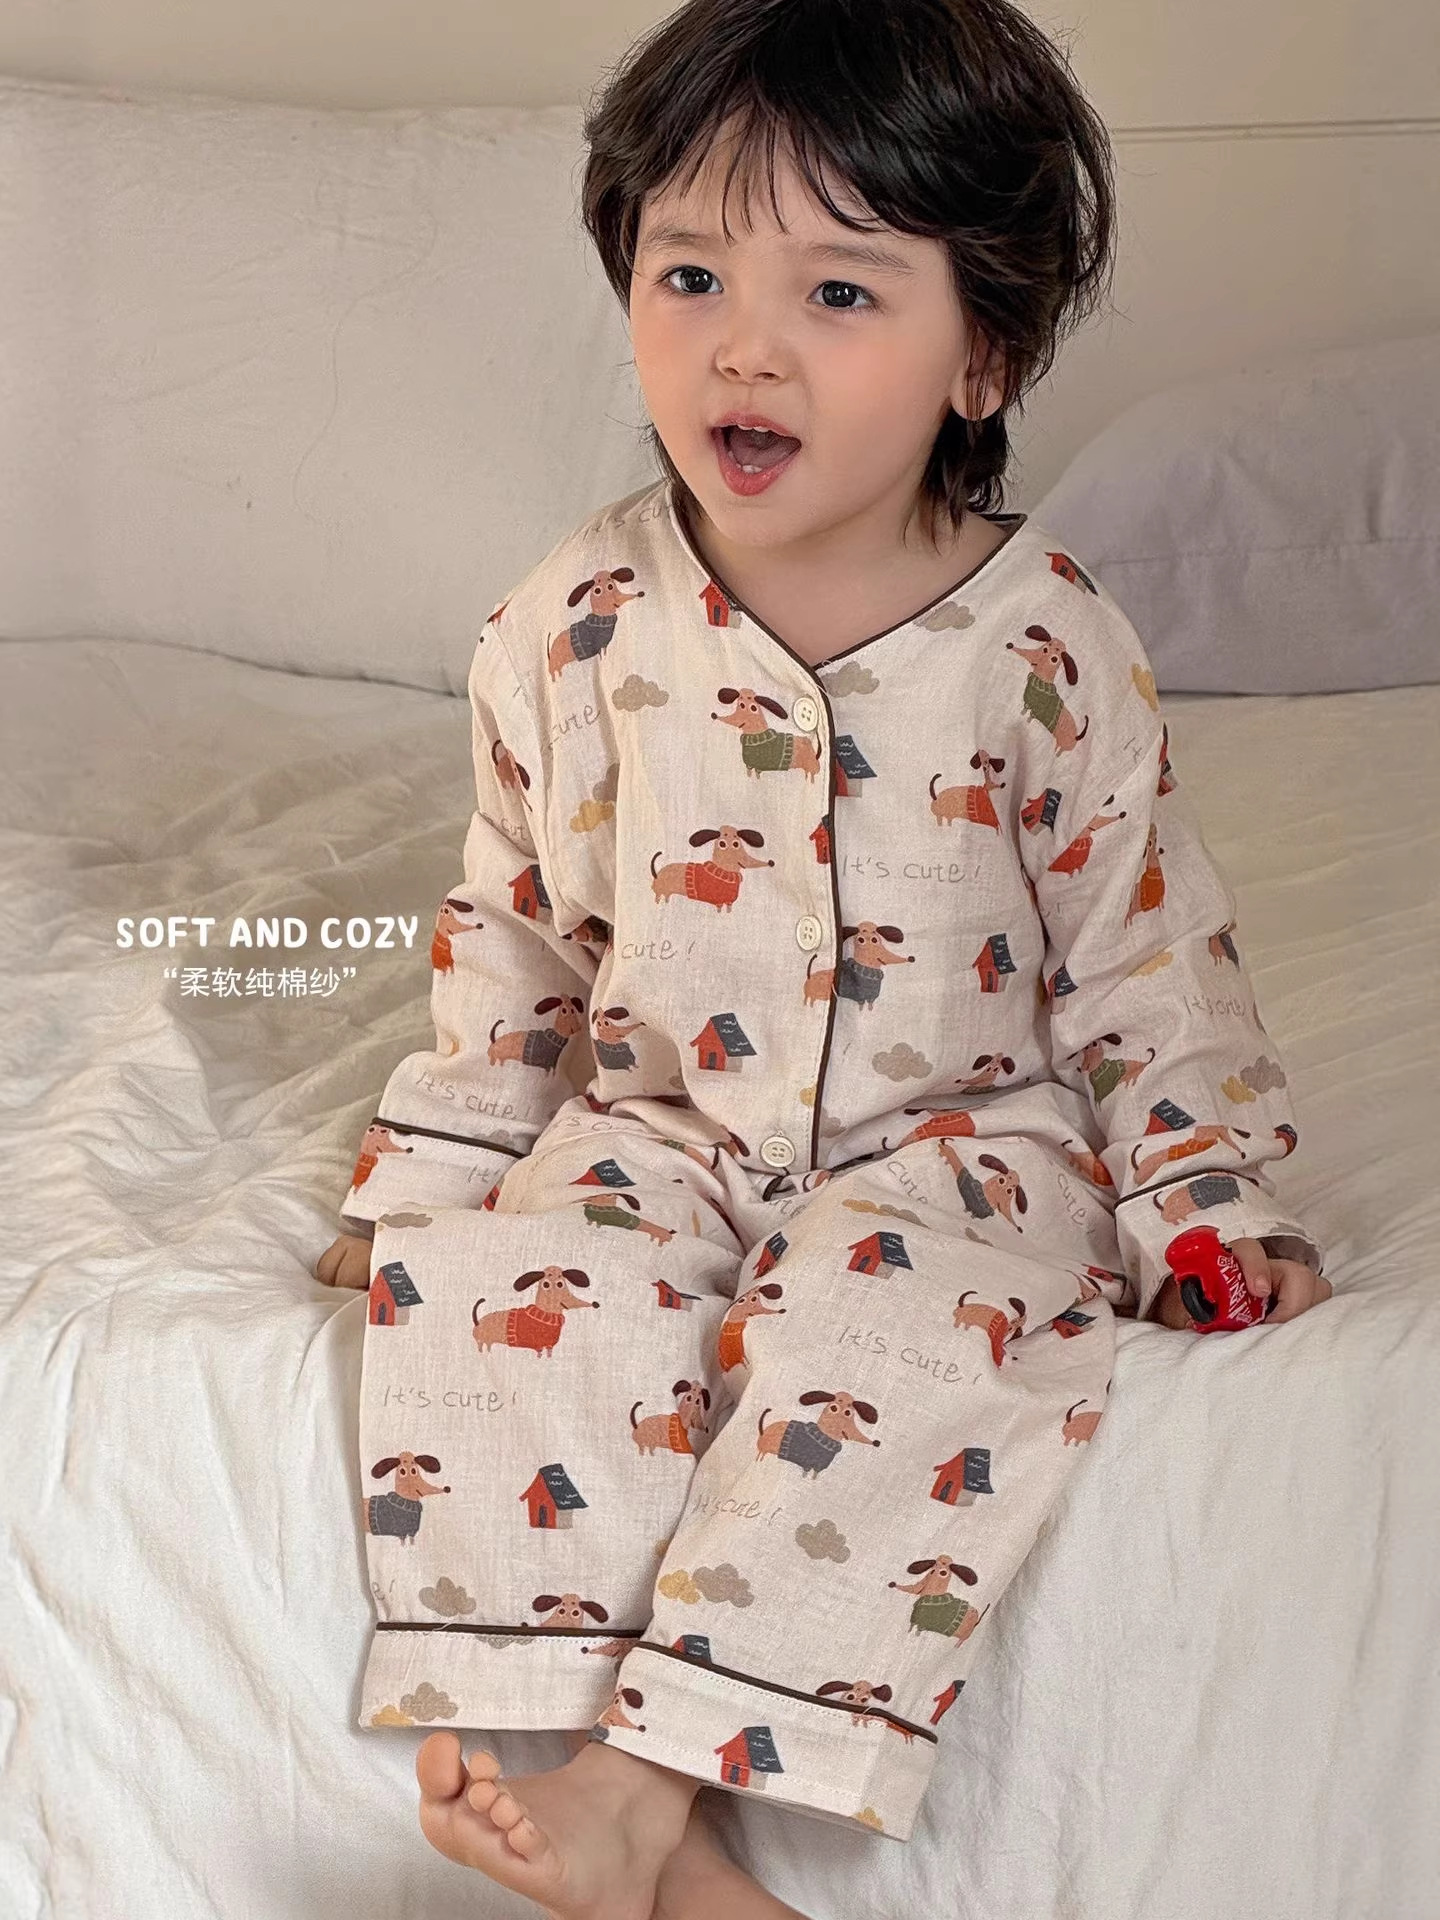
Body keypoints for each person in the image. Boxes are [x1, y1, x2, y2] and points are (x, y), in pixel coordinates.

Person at [315, 1, 1332, 1912]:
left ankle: (645, 1802)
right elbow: (518, 930)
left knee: (908, 1342)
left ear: (985, 353)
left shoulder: (1045, 648)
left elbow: (1144, 955)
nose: (744, 343)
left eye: (841, 292)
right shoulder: (569, 622)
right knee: (509, 1296)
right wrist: (436, 1175)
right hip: (666, 1125)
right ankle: (656, 1845)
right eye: (690, 271)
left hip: (963, 1146)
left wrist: (1202, 1199)